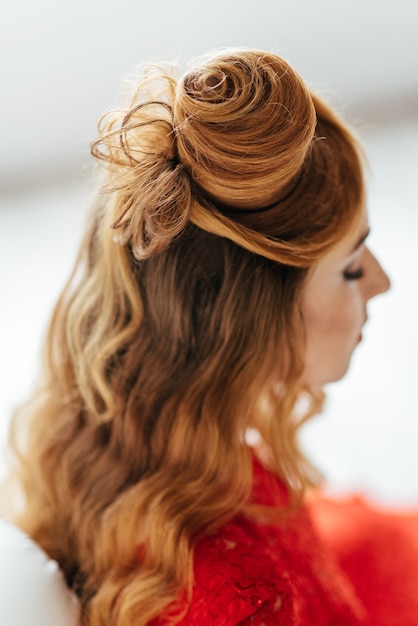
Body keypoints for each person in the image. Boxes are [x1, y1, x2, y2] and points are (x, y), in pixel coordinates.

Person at [3, 47, 417, 626]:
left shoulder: (128, 442)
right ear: (247, 322)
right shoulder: (251, 603)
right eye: (350, 268)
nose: (383, 281)